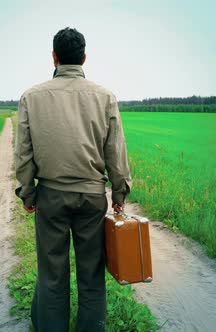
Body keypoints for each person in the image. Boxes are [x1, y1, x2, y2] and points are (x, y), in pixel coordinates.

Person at [14, 27, 132, 332]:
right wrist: (119, 196)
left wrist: (28, 196)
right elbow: (115, 153)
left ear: (54, 57)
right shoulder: (105, 97)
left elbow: (23, 155)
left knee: (52, 274)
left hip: (51, 197)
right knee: (91, 276)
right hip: (92, 198)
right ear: (84, 58)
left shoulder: (31, 97)